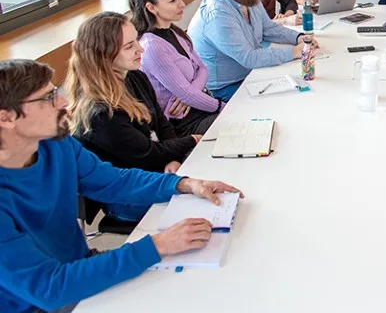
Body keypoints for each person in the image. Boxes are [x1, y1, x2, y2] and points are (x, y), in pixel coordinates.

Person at [0, 59, 242, 313]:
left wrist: (184, 184)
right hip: (38, 304)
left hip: (80, 268)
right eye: (48, 97)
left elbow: (113, 181)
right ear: (6, 117)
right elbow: (49, 288)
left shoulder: (56, 144)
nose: (62, 102)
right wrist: (158, 245)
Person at [65, 12, 200, 222]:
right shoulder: (99, 111)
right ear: (104, 56)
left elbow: (162, 124)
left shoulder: (135, 75)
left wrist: (173, 158)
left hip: (157, 171)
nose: (141, 49)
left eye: (136, 40)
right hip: (128, 195)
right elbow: (147, 154)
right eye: (129, 46)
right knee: (202, 203)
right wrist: (191, 140)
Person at [188, 0, 318, 102]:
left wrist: (298, 38)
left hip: (251, 73)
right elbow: (249, 58)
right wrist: (296, 52)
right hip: (225, 88)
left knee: (306, 91)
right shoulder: (217, 14)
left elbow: (268, 28)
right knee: (290, 101)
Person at [129, 0, 222, 137]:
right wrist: (223, 107)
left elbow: (202, 68)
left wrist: (189, 93)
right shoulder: (152, 46)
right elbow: (187, 93)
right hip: (184, 125)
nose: (182, 4)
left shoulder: (174, 31)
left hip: (199, 108)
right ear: (151, 7)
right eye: (173, 0)